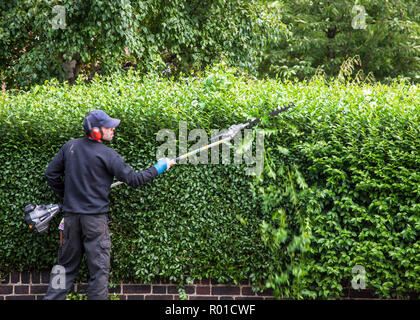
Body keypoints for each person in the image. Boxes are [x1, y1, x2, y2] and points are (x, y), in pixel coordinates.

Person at [43, 110, 175, 300]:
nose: (113, 129)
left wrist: (68, 196)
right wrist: (160, 167)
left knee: (63, 269)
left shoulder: (69, 147)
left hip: (70, 219)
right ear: (95, 130)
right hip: (95, 223)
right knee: (99, 272)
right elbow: (135, 180)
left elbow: (51, 175)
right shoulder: (109, 155)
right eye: (108, 126)